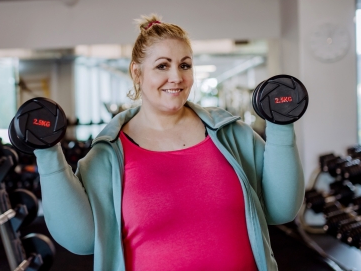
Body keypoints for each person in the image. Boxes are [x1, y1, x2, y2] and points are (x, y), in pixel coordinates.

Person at [34, 15, 304, 271]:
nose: (176, 77)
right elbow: (81, 241)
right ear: (137, 73)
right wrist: (47, 154)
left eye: (184, 65)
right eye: (162, 65)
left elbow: (282, 209)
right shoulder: (108, 155)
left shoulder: (233, 135)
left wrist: (281, 126)